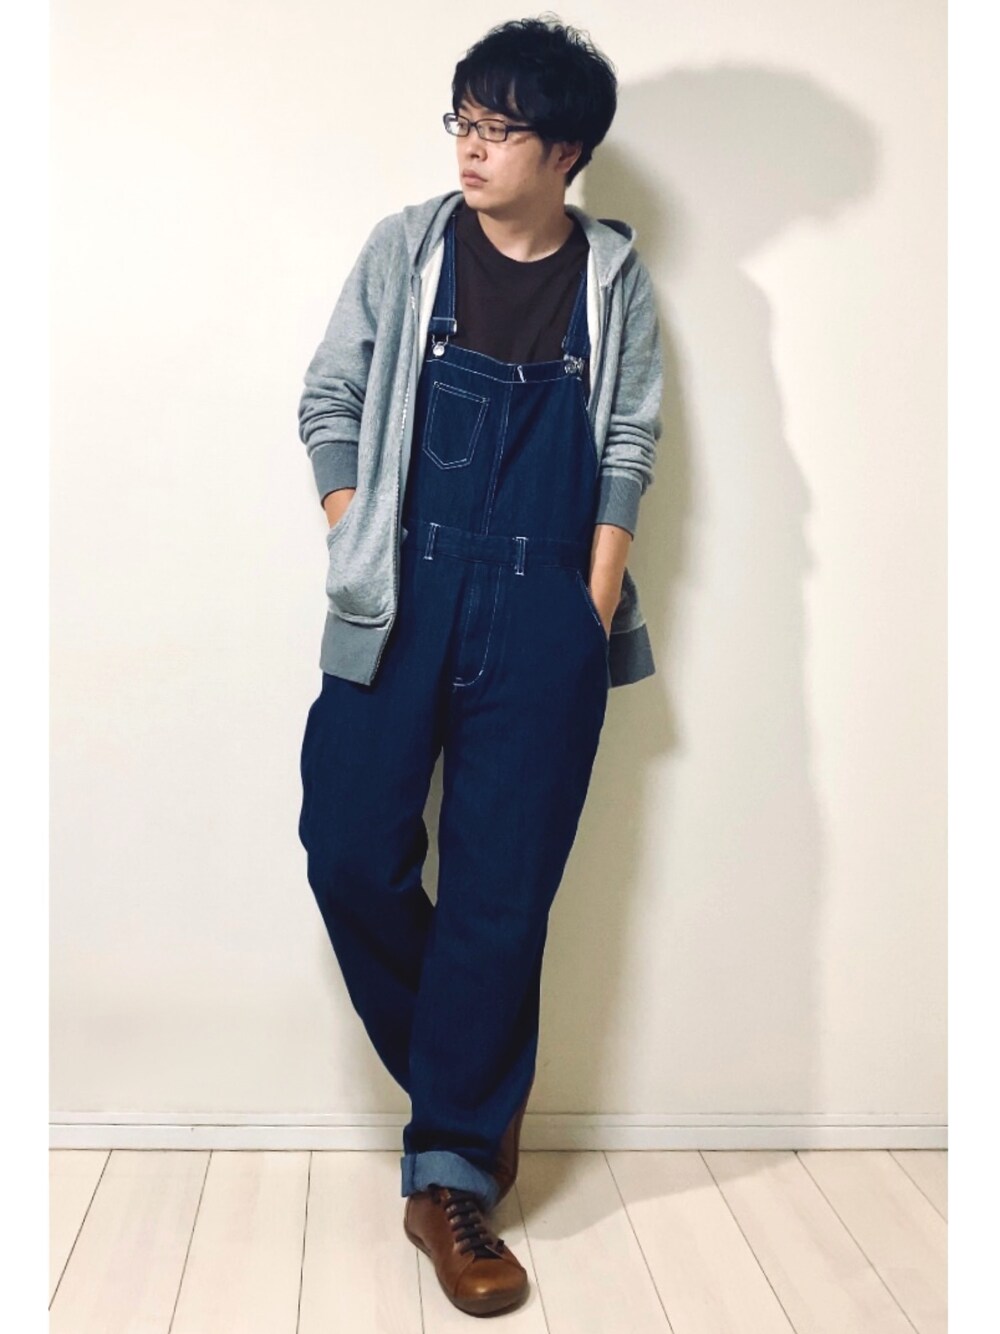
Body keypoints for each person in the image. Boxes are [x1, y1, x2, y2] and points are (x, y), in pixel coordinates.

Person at [296, 16, 663, 1318]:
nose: (472, 146)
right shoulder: (406, 250)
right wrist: (356, 535)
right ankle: (474, 1087)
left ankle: (449, 1180)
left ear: (564, 152)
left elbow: (629, 442)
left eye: (502, 128)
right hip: (402, 599)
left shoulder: (613, 280)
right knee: (348, 847)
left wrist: (589, 606)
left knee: (501, 899)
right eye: (463, 119)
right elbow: (328, 398)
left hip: (544, 612)